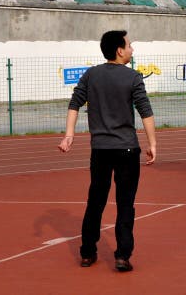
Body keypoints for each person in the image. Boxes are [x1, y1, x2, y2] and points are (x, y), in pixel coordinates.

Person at [58, 30, 157, 272]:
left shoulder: (91, 75)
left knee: (96, 201)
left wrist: (69, 135)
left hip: (100, 150)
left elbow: (75, 103)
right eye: (130, 45)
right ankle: (122, 255)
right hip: (126, 149)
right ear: (119, 50)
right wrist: (152, 143)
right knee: (126, 204)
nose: (133, 49)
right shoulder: (133, 77)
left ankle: (87, 252)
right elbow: (145, 111)